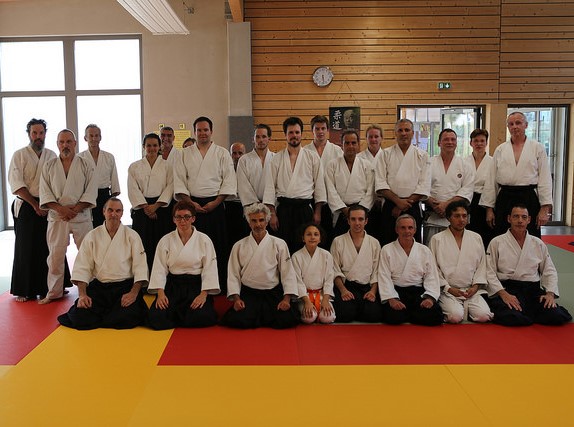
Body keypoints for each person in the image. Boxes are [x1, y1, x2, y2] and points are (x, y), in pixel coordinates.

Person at [57, 198, 149, 329]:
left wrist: (133, 294)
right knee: (80, 317)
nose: (113, 214)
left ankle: (105, 316)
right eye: (110, 210)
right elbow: (82, 267)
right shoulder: (92, 236)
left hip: (124, 288)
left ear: (122, 213)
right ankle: (108, 316)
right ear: (104, 212)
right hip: (100, 288)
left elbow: (140, 267)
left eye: (118, 211)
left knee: (127, 317)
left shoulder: (132, 236)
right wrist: (82, 295)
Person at [174, 116, 236, 288]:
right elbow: (179, 180)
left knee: (217, 245)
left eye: (205, 130)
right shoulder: (183, 153)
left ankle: (218, 283)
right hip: (192, 207)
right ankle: (195, 284)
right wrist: (190, 203)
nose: (202, 133)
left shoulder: (222, 153)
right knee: (194, 246)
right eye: (199, 130)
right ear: (194, 132)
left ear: (211, 131)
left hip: (215, 205)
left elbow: (229, 180)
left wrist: (216, 202)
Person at [485, 204, 571, 326]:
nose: (520, 220)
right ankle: (527, 313)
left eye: (524, 217)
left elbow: (549, 270)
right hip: (509, 289)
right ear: (509, 219)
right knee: (512, 317)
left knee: (556, 316)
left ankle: (528, 313)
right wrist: (503, 294)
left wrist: (550, 293)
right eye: (516, 216)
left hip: (532, 291)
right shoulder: (497, 242)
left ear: (529, 220)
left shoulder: (538, 243)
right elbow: (489, 271)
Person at [39, 129, 97, 304]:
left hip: (81, 215)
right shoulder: (49, 166)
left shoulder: (86, 164)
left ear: (75, 143)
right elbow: (45, 192)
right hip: (58, 217)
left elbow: (91, 191)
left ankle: (91, 291)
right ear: (57, 144)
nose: (65, 145)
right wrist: (61, 209)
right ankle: (54, 292)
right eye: (62, 142)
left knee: (88, 254)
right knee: (55, 256)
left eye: (69, 142)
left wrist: (75, 209)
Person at [221, 203, 299, 329]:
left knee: (286, 320)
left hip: (272, 293)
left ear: (267, 221)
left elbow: (287, 273)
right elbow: (233, 274)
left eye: (261, 220)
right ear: (249, 223)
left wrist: (286, 299)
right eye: (254, 221)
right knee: (238, 321)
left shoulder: (279, 244)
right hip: (249, 293)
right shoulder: (239, 246)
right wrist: (236, 299)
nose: (258, 224)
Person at [147, 201, 220, 329]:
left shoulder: (204, 240)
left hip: (196, 286)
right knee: (157, 318)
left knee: (202, 317)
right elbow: (159, 268)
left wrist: (203, 295)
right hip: (173, 287)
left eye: (186, 217)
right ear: (174, 220)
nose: (182, 221)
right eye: (178, 217)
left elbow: (210, 269)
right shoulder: (165, 240)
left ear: (193, 219)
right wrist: (160, 293)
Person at [481, 112, 552, 238]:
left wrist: (544, 208)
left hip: (528, 197)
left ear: (526, 125)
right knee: (502, 235)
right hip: (505, 197)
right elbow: (491, 180)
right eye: (511, 124)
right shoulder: (501, 149)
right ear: (508, 127)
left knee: (530, 235)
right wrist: (489, 209)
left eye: (518, 123)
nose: (514, 126)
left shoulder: (537, 148)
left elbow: (545, 179)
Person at [8, 119, 57, 301]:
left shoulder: (51, 155)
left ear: (45, 133)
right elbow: (16, 183)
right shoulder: (19, 155)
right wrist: (35, 205)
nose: (38, 136)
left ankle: (48, 287)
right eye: (34, 133)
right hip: (27, 204)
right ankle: (24, 289)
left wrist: (48, 204)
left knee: (47, 245)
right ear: (29, 134)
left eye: (41, 133)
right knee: (25, 246)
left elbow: (57, 182)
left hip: (47, 203)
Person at [263, 116, 327, 253]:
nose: (294, 136)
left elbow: (319, 186)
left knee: (304, 247)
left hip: (304, 209)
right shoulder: (277, 159)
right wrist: (272, 213)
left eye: (297, 132)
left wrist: (318, 212)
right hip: (284, 210)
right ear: (285, 135)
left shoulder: (312, 157)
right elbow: (269, 187)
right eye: (291, 132)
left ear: (301, 134)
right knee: (283, 247)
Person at [429, 200, 492, 323]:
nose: (461, 220)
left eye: (464, 216)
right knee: (455, 316)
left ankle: (466, 309)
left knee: (483, 316)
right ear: (448, 218)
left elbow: (482, 265)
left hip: (471, 290)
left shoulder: (476, 237)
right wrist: (448, 288)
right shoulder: (437, 239)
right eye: (457, 216)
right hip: (447, 291)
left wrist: (475, 286)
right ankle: (455, 309)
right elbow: (433, 268)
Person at [378, 214, 443, 325]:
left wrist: (429, 298)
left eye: (410, 228)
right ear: (396, 230)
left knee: (436, 316)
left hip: (418, 292)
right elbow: (384, 276)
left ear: (415, 230)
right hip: (396, 291)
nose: (407, 231)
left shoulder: (424, 250)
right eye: (403, 228)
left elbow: (431, 276)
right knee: (393, 317)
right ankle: (412, 314)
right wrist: (391, 299)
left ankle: (408, 314)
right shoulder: (387, 249)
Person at [375, 119, 430, 246]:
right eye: (400, 130)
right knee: (388, 242)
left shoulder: (422, 155)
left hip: (413, 205)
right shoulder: (385, 154)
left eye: (407, 130)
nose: (404, 133)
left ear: (412, 133)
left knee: (413, 244)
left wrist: (403, 205)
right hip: (391, 205)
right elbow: (380, 182)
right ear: (395, 133)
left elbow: (424, 184)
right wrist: (397, 202)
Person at [128, 133, 174, 273]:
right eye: (149, 145)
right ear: (144, 147)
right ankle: (143, 275)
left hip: (162, 208)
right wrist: (146, 207)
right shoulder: (134, 166)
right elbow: (133, 188)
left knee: (162, 242)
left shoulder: (168, 166)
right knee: (142, 243)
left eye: (155, 145)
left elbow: (170, 186)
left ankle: (162, 274)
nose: (152, 148)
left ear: (160, 146)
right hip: (142, 209)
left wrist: (156, 206)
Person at [330, 205, 382, 323]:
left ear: (366, 221)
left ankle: (358, 308)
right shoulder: (338, 241)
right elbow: (334, 269)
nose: (357, 223)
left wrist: (373, 291)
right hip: (346, 286)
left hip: (366, 287)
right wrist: (343, 290)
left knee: (374, 315)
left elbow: (377, 270)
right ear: (348, 221)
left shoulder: (374, 242)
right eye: (353, 219)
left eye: (360, 219)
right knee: (344, 315)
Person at [424, 128, 474, 245]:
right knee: (432, 248)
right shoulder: (428, 163)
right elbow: (422, 186)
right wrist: (435, 205)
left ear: (456, 143)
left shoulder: (465, 165)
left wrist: (446, 205)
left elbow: (467, 189)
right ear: (439, 143)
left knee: (455, 248)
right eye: (446, 139)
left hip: (456, 217)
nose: (450, 142)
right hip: (433, 215)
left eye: (453, 139)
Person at [325, 129, 374, 237]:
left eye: (353, 143)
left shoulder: (366, 165)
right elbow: (330, 190)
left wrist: (360, 210)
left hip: (361, 212)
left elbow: (371, 191)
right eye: (347, 143)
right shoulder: (332, 165)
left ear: (358, 145)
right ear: (342, 145)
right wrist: (344, 209)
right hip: (342, 212)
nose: (350, 146)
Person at [303, 115, 343, 246]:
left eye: (323, 128)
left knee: (329, 234)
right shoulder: (305, 151)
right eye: (317, 129)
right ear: (312, 131)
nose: (320, 132)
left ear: (328, 130)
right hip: (311, 198)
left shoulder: (337, 150)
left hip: (331, 197)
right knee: (311, 234)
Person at [292, 224, 336, 324]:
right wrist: (307, 301)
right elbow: (298, 281)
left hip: (322, 294)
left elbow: (329, 279)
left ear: (320, 239)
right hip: (304, 296)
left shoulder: (326, 255)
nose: (312, 237)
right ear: (303, 238)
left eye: (316, 234)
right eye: (308, 234)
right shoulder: (296, 256)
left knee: (327, 318)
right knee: (309, 318)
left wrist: (325, 299)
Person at [78, 124, 120, 228]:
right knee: (88, 226)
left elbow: (114, 178)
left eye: (96, 136)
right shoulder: (79, 158)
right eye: (91, 136)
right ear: (85, 138)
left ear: (100, 137)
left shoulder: (109, 157)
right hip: (86, 196)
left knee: (105, 226)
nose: (94, 139)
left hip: (104, 195)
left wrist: (113, 198)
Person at [465, 128, 494, 248]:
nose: (479, 144)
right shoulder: (463, 162)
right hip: (467, 201)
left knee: (484, 236)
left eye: (482, 141)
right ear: (471, 143)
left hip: (485, 202)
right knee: (468, 234)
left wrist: (489, 209)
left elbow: (492, 187)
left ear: (486, 143)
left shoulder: (492, 162)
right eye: (476, 141)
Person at [237, 124, 275, 207]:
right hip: (251, 206)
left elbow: (278, 185)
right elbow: (243, 186)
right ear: (253, 139)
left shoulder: (276, 159)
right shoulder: (244, 160)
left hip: (272, 204)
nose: (261, 140)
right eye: (257, 137)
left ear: (269, 138)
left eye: (264, 136)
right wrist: (255, 205)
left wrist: (270, 204)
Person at [359, 124, 385, 243]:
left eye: (376, 136)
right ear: (366, 138)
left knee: (382, 236)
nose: (373, 139)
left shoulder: (387, 156)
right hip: (364, 203)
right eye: (370, 137)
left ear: (381, 138)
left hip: (383, 202)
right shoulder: (359, 158)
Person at [225, 142, 250, 250]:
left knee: (244, 236)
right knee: (229, 237)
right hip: (229, 205)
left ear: (245, 154)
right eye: (234, 153)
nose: (237, 156)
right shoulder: (226, 168)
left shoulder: (249, 168)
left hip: (245, 205)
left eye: (240, 153)